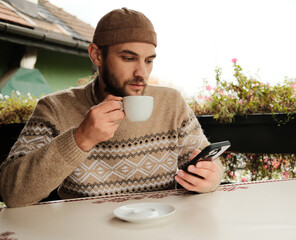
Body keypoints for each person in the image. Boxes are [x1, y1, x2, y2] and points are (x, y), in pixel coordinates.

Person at [0, 8, 223, 208]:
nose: (142, 73)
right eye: (129, 58)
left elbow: (206, 164)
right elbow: (12, 193)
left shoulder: (171, 102)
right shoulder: (54, 108)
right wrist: (80, 139)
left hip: (159, 228)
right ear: (96, 55)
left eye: (148, 61)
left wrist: (211, 177)